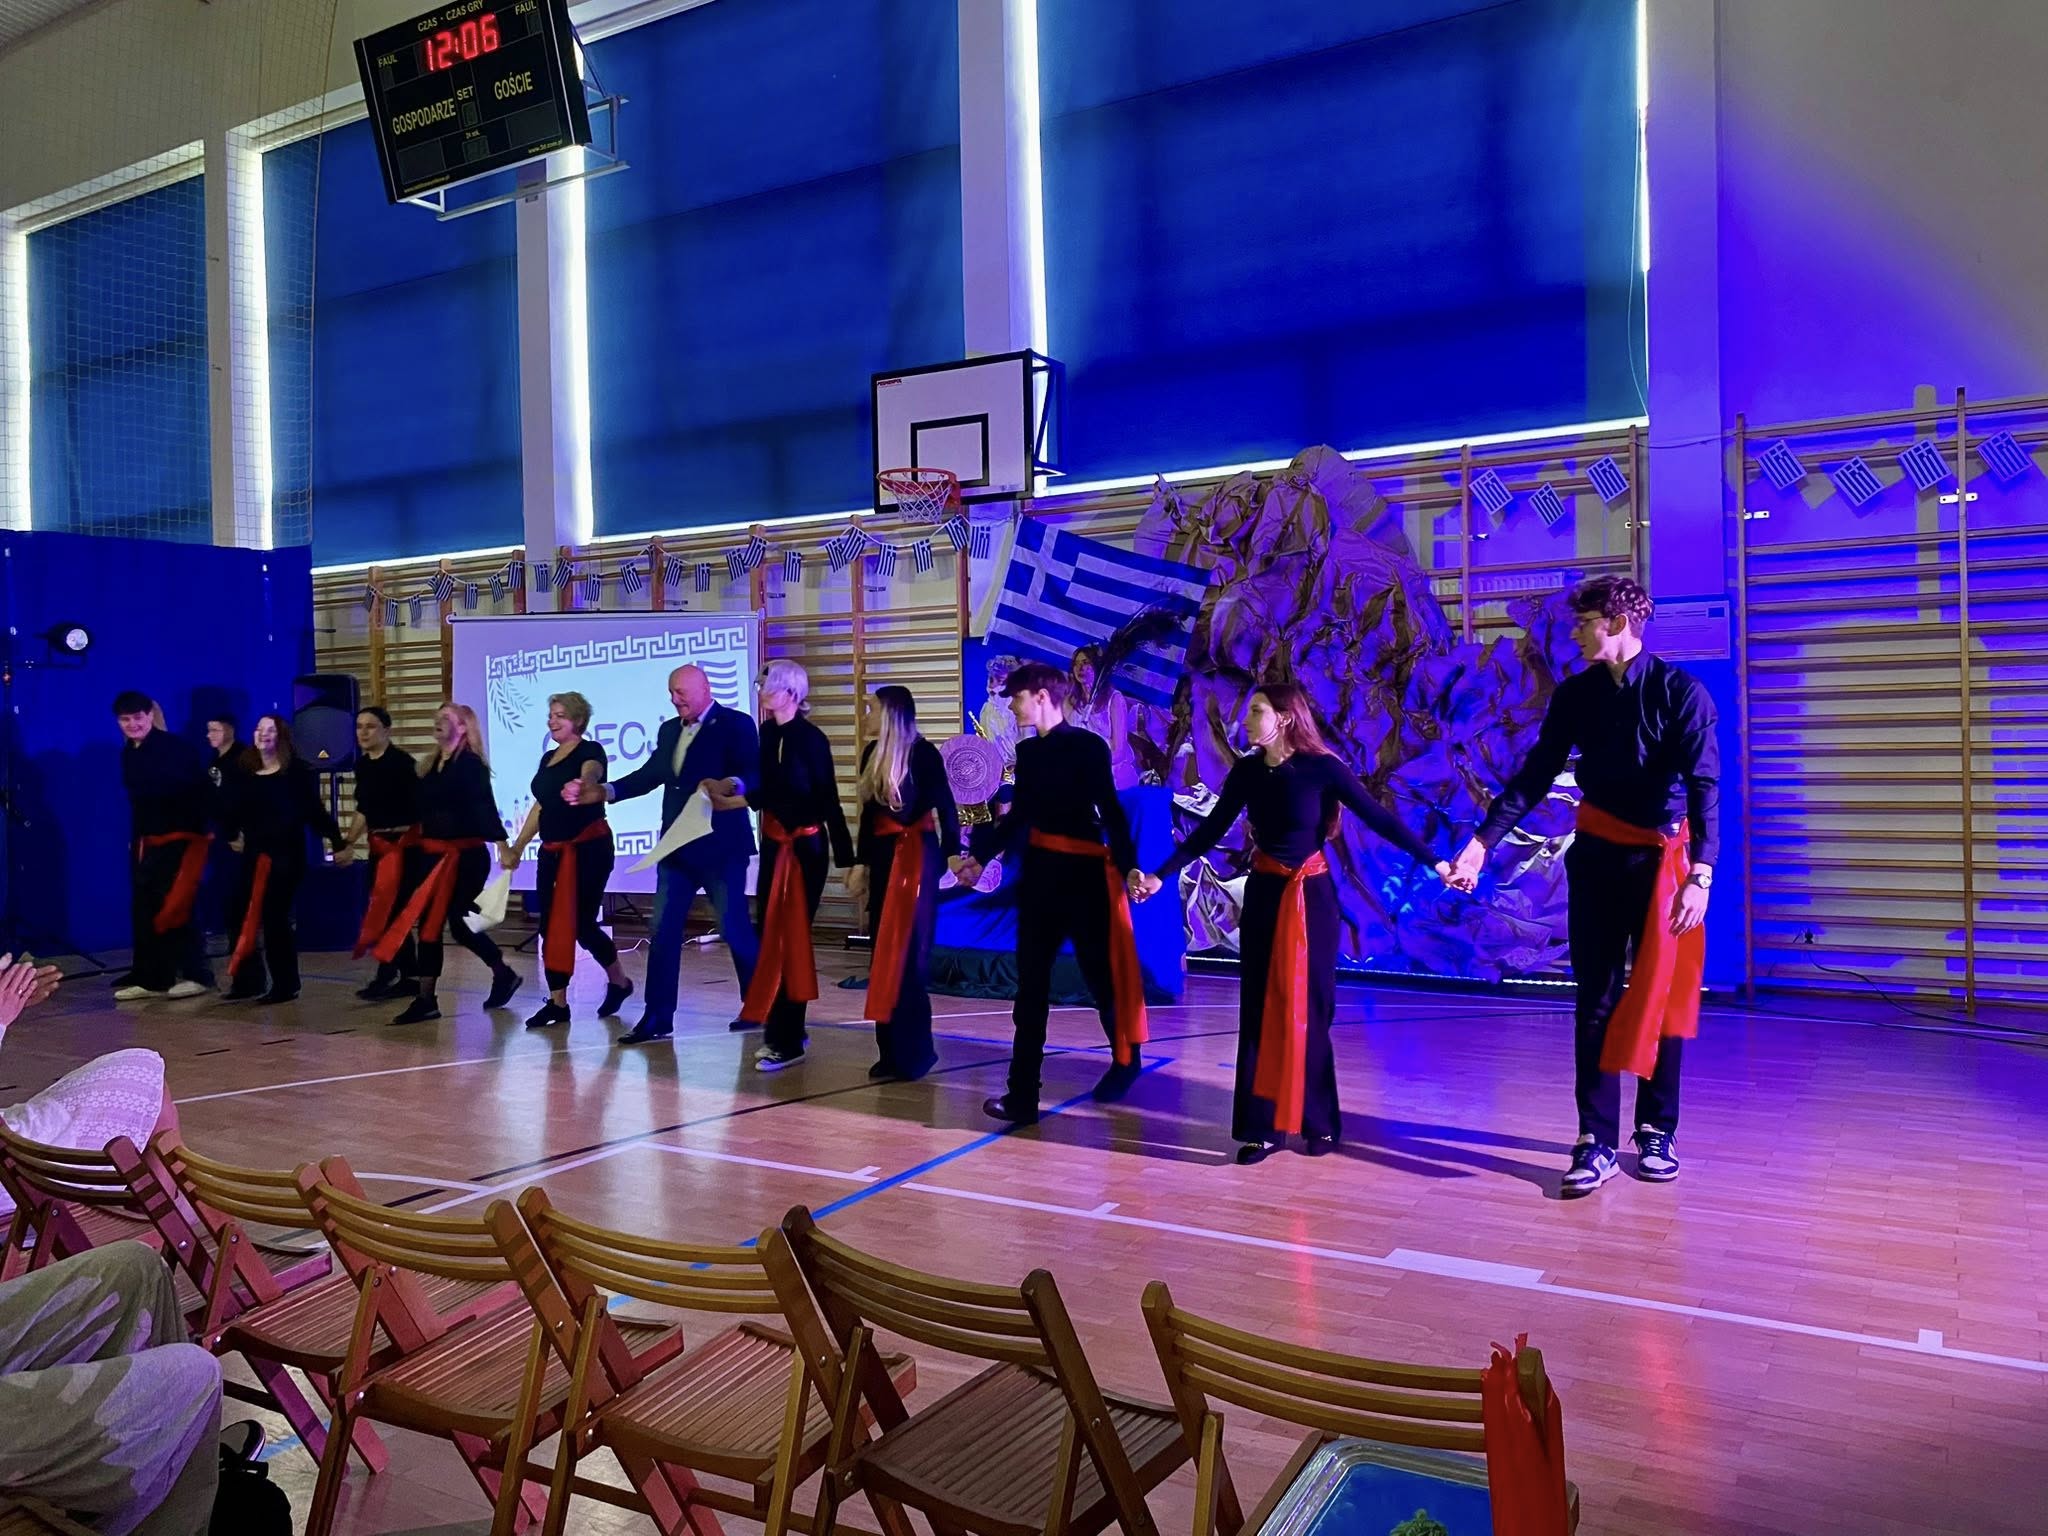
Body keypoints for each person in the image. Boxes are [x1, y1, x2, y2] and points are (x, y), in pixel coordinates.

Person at [1449, 576, 1719, 1198]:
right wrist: (1481, 842)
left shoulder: (1683, 692)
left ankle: (1657, 1131)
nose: (1573, 633)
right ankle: (1594, 1138)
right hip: (1597, 857)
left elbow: (1705, 786)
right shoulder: (1575, 694)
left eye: (1583, 621)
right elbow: (1534, 775)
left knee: (1662, 996)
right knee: (1594, 997)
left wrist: (1700, 873)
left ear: (1617, 623)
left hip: (1663, 864)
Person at [1133, 683, 1451, 1163]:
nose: (1245, 719)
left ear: (1283, 717)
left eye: (1256, 711)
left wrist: (1438, 863)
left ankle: (1318, 1121)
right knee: (1259, 1009)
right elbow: (1210, 830)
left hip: (1311, 897)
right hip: (1265, 894)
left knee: (1313, 1009)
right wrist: (1160, 875)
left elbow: (1380, 820)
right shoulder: (1247, 771)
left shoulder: (1322, 768)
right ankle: (1261, 1129)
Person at [956, 662, 1145, 1126]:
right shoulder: (1028, 753)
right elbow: (1019, 818)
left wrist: (1130, 867)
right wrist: (979, 856)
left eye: (1017, 697)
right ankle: (1022, 1096)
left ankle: (1126, 1060)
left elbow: (1111, 812)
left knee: (1101, 978)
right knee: (1031, 989)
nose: (1011, 706)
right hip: (1040, 879)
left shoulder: (1088, 746)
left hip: (1084, 879)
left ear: (1042, 696)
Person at [569, 665, 758, 1046]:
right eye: (671, 692)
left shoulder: (736, 723)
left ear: (705, 689)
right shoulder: (669, 730)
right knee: (662, 929)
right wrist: (604, 792)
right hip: (677, 847)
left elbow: (752, 772)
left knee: (734, 928)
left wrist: (729, 785)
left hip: (721, 848)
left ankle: (758, 1005)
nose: (674, 700)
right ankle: (657, 1016)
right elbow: (650, 774)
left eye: (681, 692)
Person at [736, 660, 853, 1072]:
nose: (760, 691)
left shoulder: (812, 739)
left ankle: (787, 1040)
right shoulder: (767, 733)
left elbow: (828, 800)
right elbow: (765, 788)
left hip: (805, 850)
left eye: (767, 685)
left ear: (790, 693)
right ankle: (784, 1030)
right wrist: (733, 795)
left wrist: (849, 860)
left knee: (792, 940)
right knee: (769, 934)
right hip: (773, 845)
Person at [373, 704, 522, 1026]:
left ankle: (441, 994)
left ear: (464, 727)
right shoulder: (430, 766)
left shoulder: (470, 765)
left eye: (447, 719)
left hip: (464, 858)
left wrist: (503, 845)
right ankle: (441, 993)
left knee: (448, 923)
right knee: (440, 925)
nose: (438, 722)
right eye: (437, 717)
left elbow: (484, 805)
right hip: (432, 857)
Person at [503, 692, 633, 1030]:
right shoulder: (548, 758)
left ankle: (619, 982)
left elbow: (593, 772)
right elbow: (541, 805)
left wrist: (583, 783)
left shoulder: (591, 750)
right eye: (551, 715)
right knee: (549, 925)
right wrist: (518, 846)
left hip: (589, 849)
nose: (552, 721)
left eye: (560, 715)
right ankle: (558, 1004)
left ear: (577, 720)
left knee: (582, 926)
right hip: (551, 851)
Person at [848, 686, 957, 1082]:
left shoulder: (924, 754)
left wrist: (951, 854)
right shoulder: (871, 754)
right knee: (883, 952)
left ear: (892, 714)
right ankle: (889, 1051)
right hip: (883, 858)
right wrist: (860, 863)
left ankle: (915, 1053)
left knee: (910, 958)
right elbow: (868, 818)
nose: (867, 716)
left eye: (872, 709)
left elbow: (946, 808)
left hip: (916, 858)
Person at [219, 715, 349, 1005]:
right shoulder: (244, 769)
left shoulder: (295, 772)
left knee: (274, 917)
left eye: (270, 730)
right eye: (259, 729)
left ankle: (285, 984)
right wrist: (231, 833)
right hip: (255, 853)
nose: (263, 734)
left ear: (281, 736)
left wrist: (337, 841)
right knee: (237, 912)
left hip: (286, 856)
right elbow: (231, 807)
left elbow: (314, 811)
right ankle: (249, 980)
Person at [112, 692, 213, 1002]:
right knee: (146, 908)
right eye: (125, 720)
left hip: (178, 840)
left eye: (138, 718)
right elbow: (139, 804)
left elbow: (197, 793)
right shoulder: (129, 752)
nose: (133, 724)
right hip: (147, 842)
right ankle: (152, 976)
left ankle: (197, 974)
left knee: (178, 906)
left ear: (150, 716)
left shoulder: (174, 749)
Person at [347, 706, 422, 1000]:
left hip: (404, 849)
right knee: (380, 909)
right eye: (359, 726)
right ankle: (392, 970)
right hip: (378, 847)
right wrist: (347, 841)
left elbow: (421, 810)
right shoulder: (363, 766)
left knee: (394, 911)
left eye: (370, 726)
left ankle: (405, 974)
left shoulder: (403, 764)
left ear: (386, 730)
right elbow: (364, 809)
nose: (363, 732)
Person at [1069, 645, 1142, 791]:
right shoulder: (1071, 700)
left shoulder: (1114, 699)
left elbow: (1119, 751)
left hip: (1112, 776)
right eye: (1076, 664)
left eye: (1085, 662)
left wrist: (1090, 766)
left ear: (1097, 666)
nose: (1080, 668)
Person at [973, 652, 1024, 776]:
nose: (992, 684)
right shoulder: (987, 709)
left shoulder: (1018, 708)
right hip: (995, 773)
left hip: (1020, 772)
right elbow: (984, 741)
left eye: (1000, 680)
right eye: (991, 678)